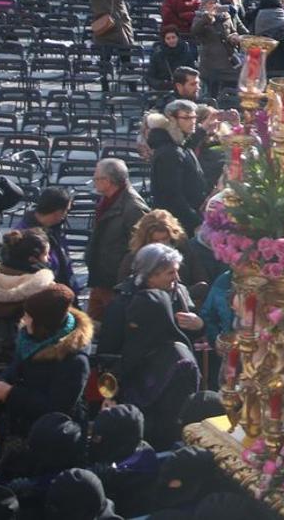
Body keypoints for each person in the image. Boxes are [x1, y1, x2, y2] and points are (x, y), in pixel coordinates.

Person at [116, 250, 200, 448]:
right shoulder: (125, 302)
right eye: (170, 273)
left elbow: (175, 413)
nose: (177, 279)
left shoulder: (181, 360)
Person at [0, 284, 91, 438]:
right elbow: (15, 368)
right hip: (17, 427)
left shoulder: (75, 360)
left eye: (28, 317)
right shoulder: (29, 339)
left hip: (48, 439)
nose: (23, 320)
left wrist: (10, 393)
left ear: (44, 324)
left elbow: (57, 408)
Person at [85, 160, 149, 321]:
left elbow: (141, 245)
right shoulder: (108, 200)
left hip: (115, 280)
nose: (94, 181)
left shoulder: (133, 207)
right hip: (101, 276)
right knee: (91, 324)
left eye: (97, 178)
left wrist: (124, 275)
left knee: (112, 324)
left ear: (108, 181)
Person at [0, 229, 56, 380]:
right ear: (33, 259)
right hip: (25, 368)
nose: (48, 259)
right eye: (46, 254)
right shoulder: (47, 290)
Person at [144, 102, 209, 234]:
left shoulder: (176, 144)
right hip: (177, 226)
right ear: (172, 119)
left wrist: (204, 129)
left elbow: (186, 146)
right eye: (187, 118)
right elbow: (172, 196)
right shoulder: (169, 152)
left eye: (194, 117)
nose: (193, 122)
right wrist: (196, 222)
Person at [13, 188, 78, 292]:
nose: (66, 215)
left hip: (62, 289)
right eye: (66, 210)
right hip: (41, 295)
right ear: (57, 212)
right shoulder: (25, 236)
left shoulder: (55, 227)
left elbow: (64, 261)